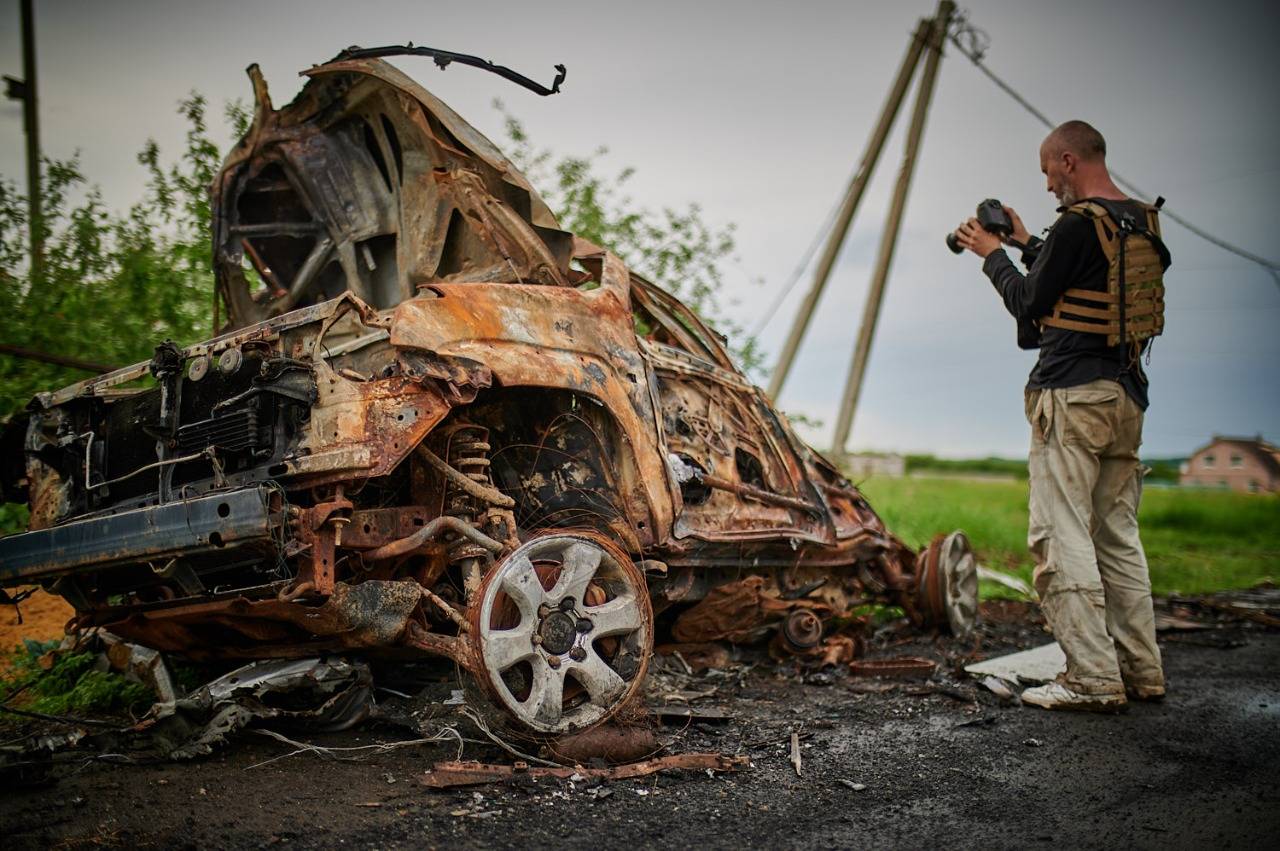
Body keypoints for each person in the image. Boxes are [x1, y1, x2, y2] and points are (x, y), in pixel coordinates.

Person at [953, 120, 1169, 712]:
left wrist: (993, 255)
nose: (1048, 186)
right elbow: (1077, 276)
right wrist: (1025, 242)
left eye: (1049, 171)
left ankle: (1092, 679)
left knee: (1060, 534)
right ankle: (1139, 670)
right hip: (1125, 396)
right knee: (1117, 537)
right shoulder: (1139, 220)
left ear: (1068, 161)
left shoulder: (1078, 223)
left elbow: (1029, 301)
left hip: (1071, 397)